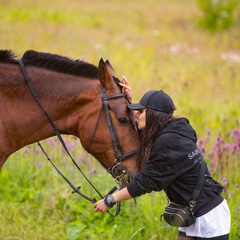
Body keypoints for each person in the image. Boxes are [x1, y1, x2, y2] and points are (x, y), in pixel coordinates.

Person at [94, 76, 231, 240]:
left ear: (154, 115)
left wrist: (110, 199)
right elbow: (142, 136)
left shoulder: (168, 143)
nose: (136, 115)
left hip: (209, 217)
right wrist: (129, 102)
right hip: (193, 213)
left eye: (141, 111)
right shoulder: (172, 132)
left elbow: (144, 183)